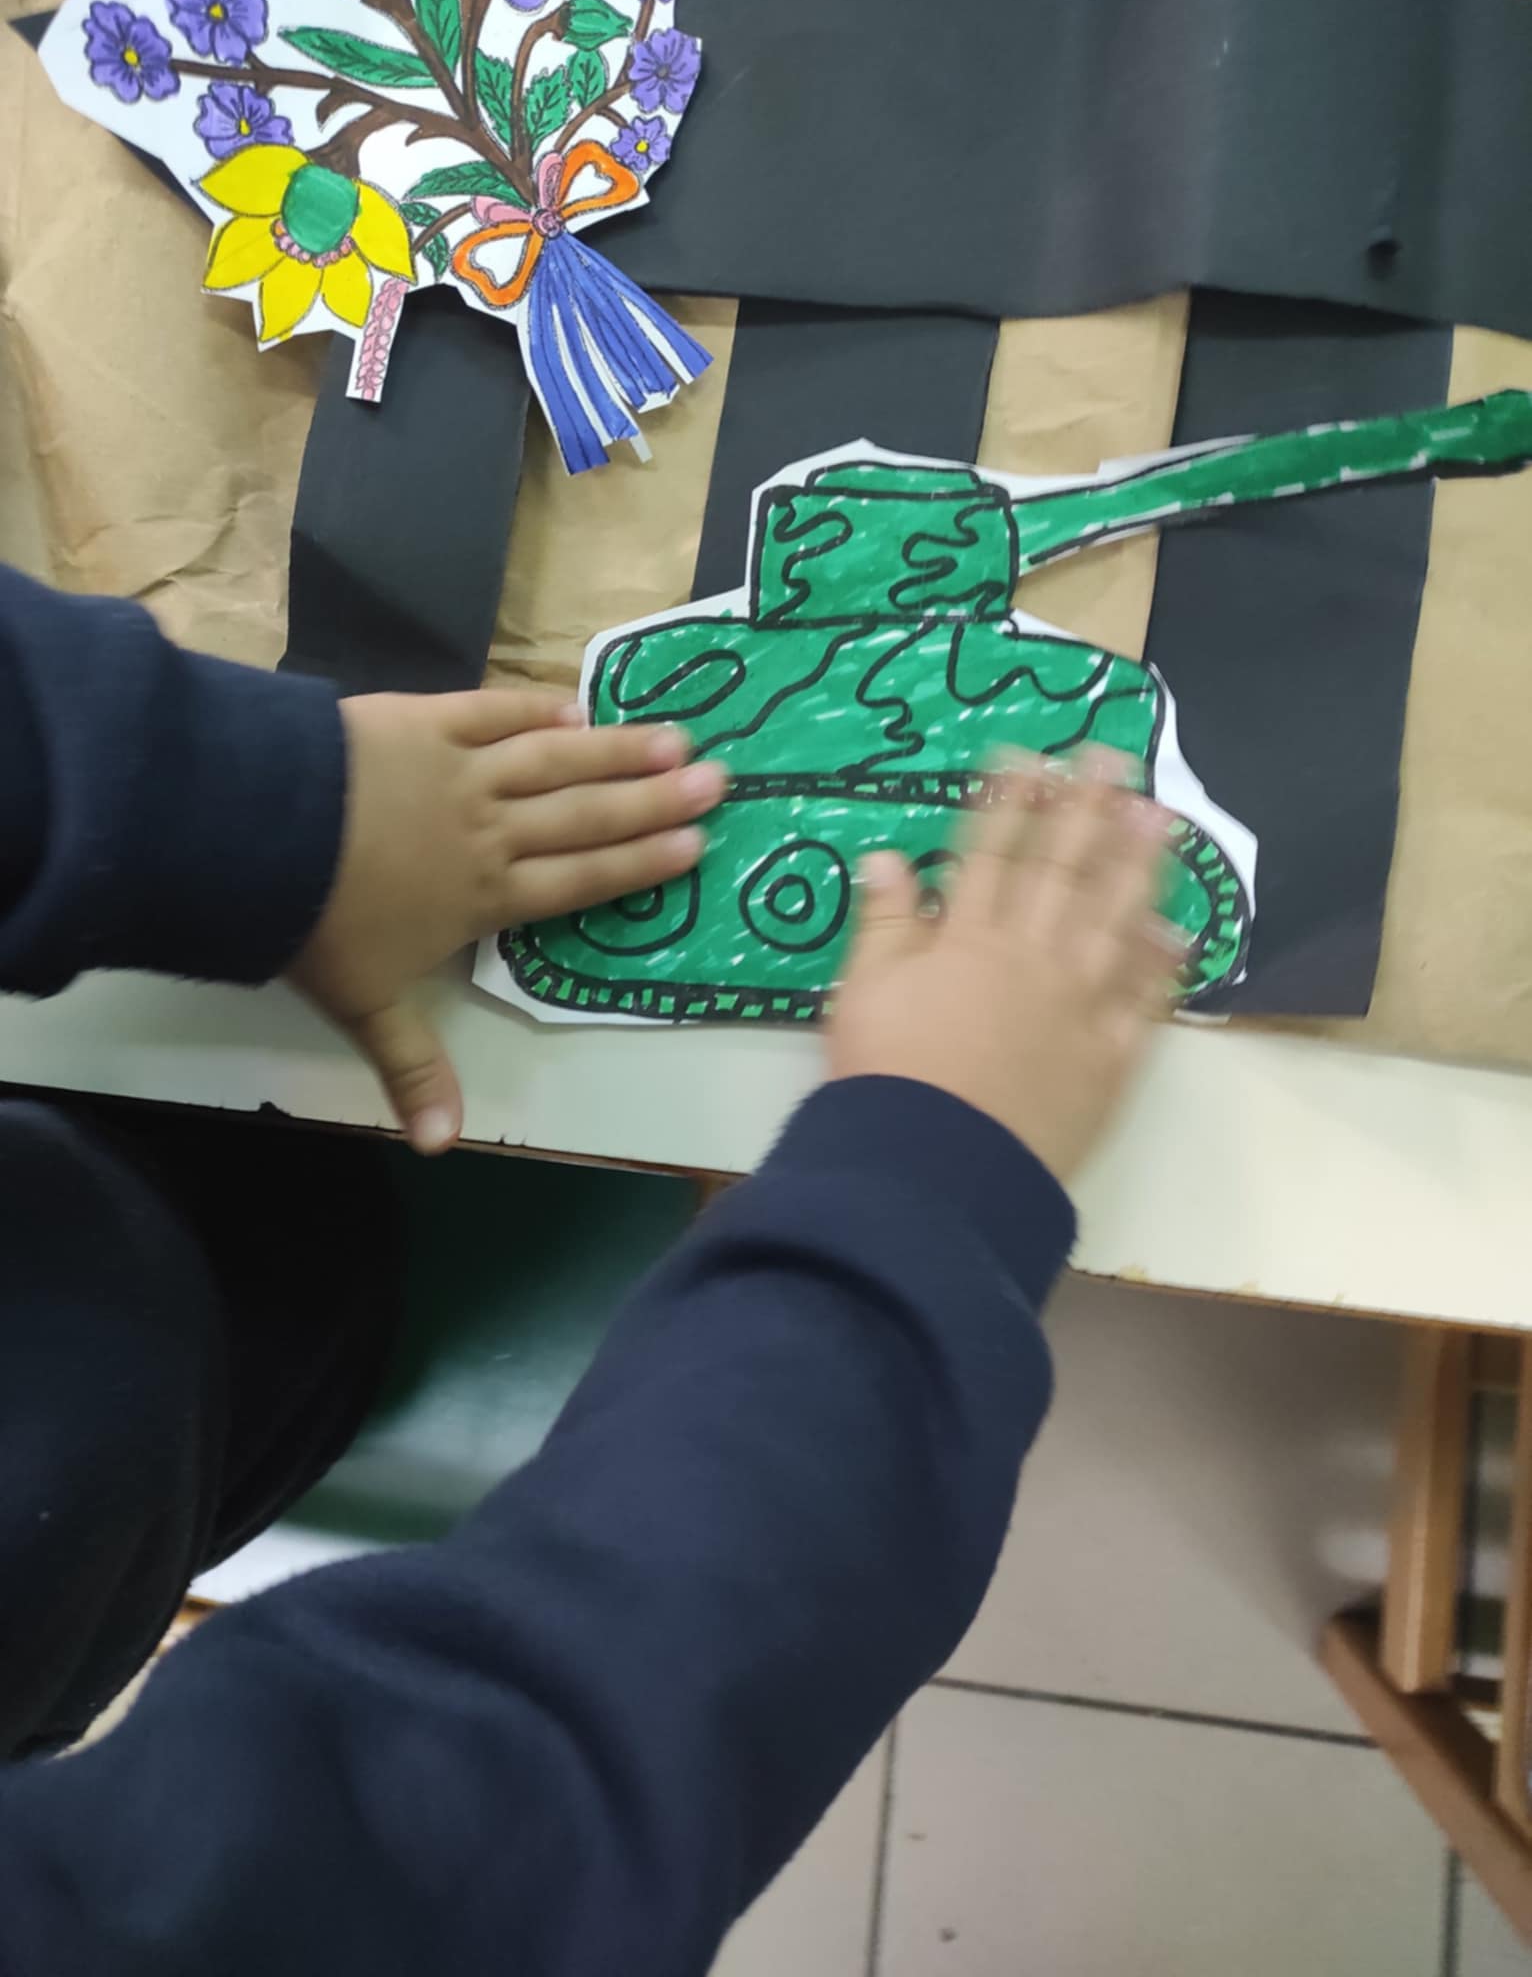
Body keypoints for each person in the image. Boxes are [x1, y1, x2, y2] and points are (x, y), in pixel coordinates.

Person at [0, 563, 1178, 1973]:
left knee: (227, 1267)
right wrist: (933, 1175)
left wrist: (246, 801)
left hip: (88, 1279)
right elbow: (466, 1850)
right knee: (247, 1311)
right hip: (132, 1437)